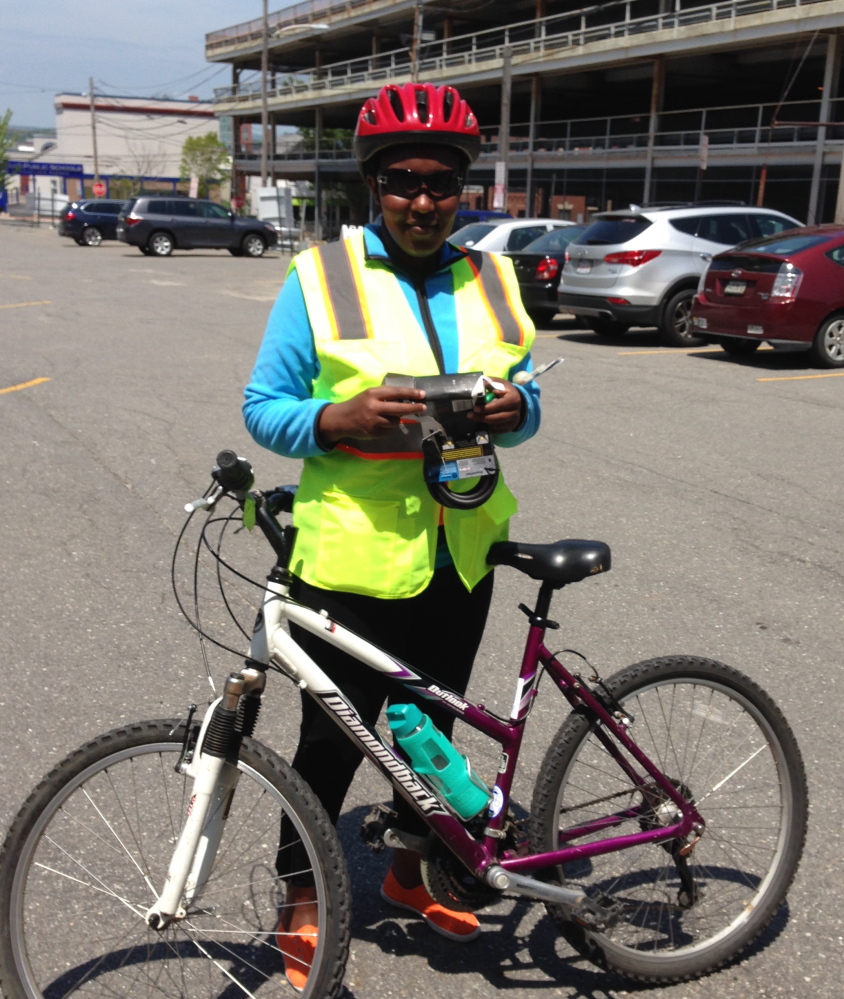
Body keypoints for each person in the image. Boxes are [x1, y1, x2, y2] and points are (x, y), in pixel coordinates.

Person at [243, 81, 540, 990]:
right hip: (353, 559)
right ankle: (302, 898)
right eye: (402, 181)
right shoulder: (321, 277)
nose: (421, 200)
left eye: (441, 183)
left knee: (431, 736)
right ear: (375, 183)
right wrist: (340, 420)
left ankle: (412, 873)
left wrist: (515, 405)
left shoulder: (490, 274)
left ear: (462, 187)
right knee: (331, 747)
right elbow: (265, 409)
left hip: (461, 554)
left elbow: (528, 400)